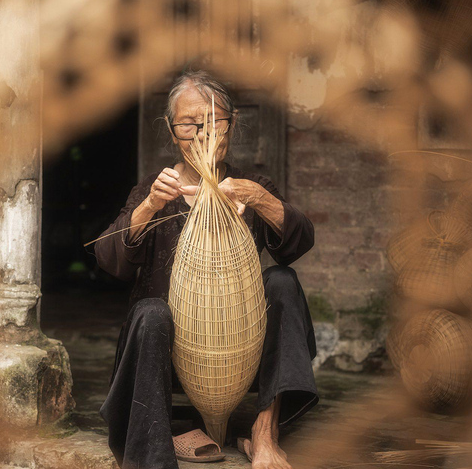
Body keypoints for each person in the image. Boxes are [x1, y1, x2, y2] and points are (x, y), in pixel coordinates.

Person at [94, 71, 317, 469]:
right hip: (170, 353)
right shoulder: (153, 188)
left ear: (233, 122)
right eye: (188, 123)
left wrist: (259, 198)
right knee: (151, 311)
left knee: (282, 282)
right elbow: (109, 261)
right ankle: (153, 455)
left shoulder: (250, 185)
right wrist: (148, 207)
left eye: (214, 121)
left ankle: (265, 435)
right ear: (170, 128)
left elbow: (299, 242)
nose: (201, 133)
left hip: (238, 351)